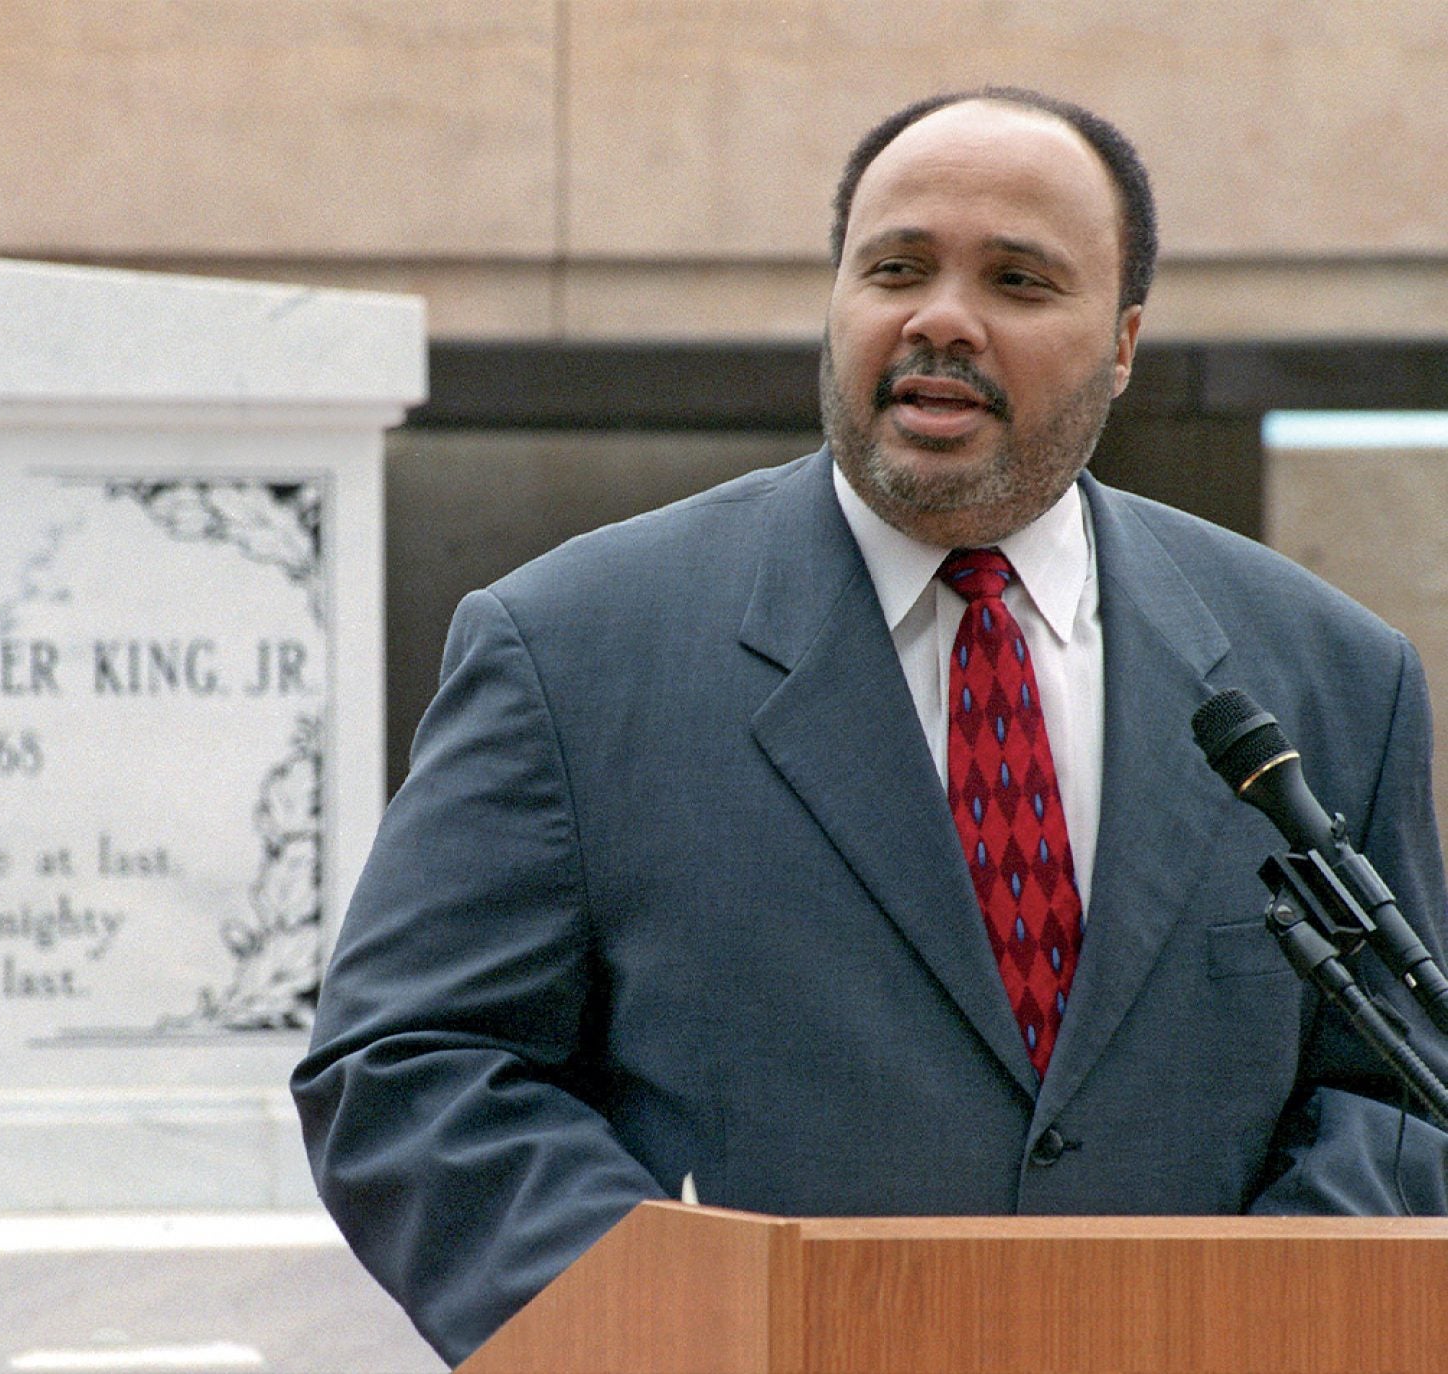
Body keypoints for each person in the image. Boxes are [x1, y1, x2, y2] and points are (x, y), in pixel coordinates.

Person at [293, 87, 1448, 1365]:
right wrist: (683, 1334)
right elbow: (412, 1067)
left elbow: (1395, 1085)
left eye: (1015, 281)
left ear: (1121, 344)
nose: (939, 318)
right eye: (894, 267)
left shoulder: (1330, 672)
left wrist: (1241, 1328)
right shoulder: (570, 649)